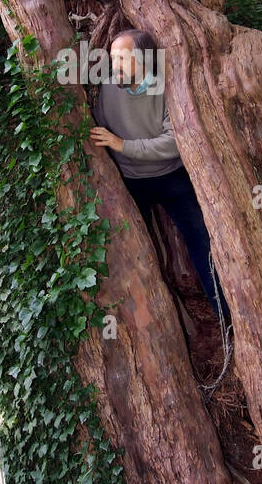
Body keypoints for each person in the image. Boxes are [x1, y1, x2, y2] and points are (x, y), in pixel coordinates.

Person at [89, 28, 232, 332]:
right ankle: (149, 329)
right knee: (128, 249)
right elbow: (100, 126)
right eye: (113, 58)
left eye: (122, 58)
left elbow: (175, 141)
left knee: (203, 245)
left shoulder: (166, 86)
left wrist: (123, 145)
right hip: (129, 180)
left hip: (172, 176)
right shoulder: (108, 86)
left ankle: (228, 321)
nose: (115, 65)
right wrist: (116, 150)